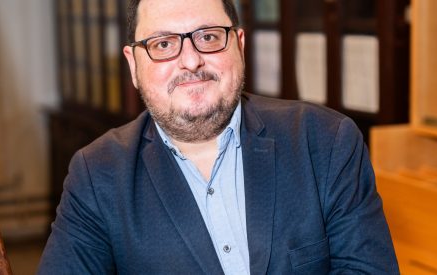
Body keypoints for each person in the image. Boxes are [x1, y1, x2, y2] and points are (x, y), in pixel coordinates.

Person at [38, 0, 399, 273]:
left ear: (239, 46)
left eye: (208, 37)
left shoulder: (325, 142)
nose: (191, 61)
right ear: (134, 65)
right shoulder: (97, 175)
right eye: (163, 44)